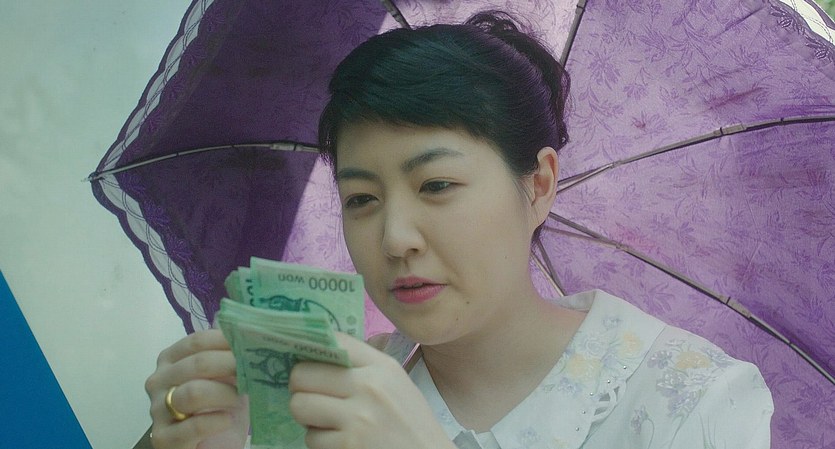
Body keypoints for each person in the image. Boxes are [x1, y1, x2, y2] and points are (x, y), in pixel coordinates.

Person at [144, 11, 774, 449]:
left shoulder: (693, 400)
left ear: (539, 185)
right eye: (360, 198)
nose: (395, 238)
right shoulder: (321, 395)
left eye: (437, 185)